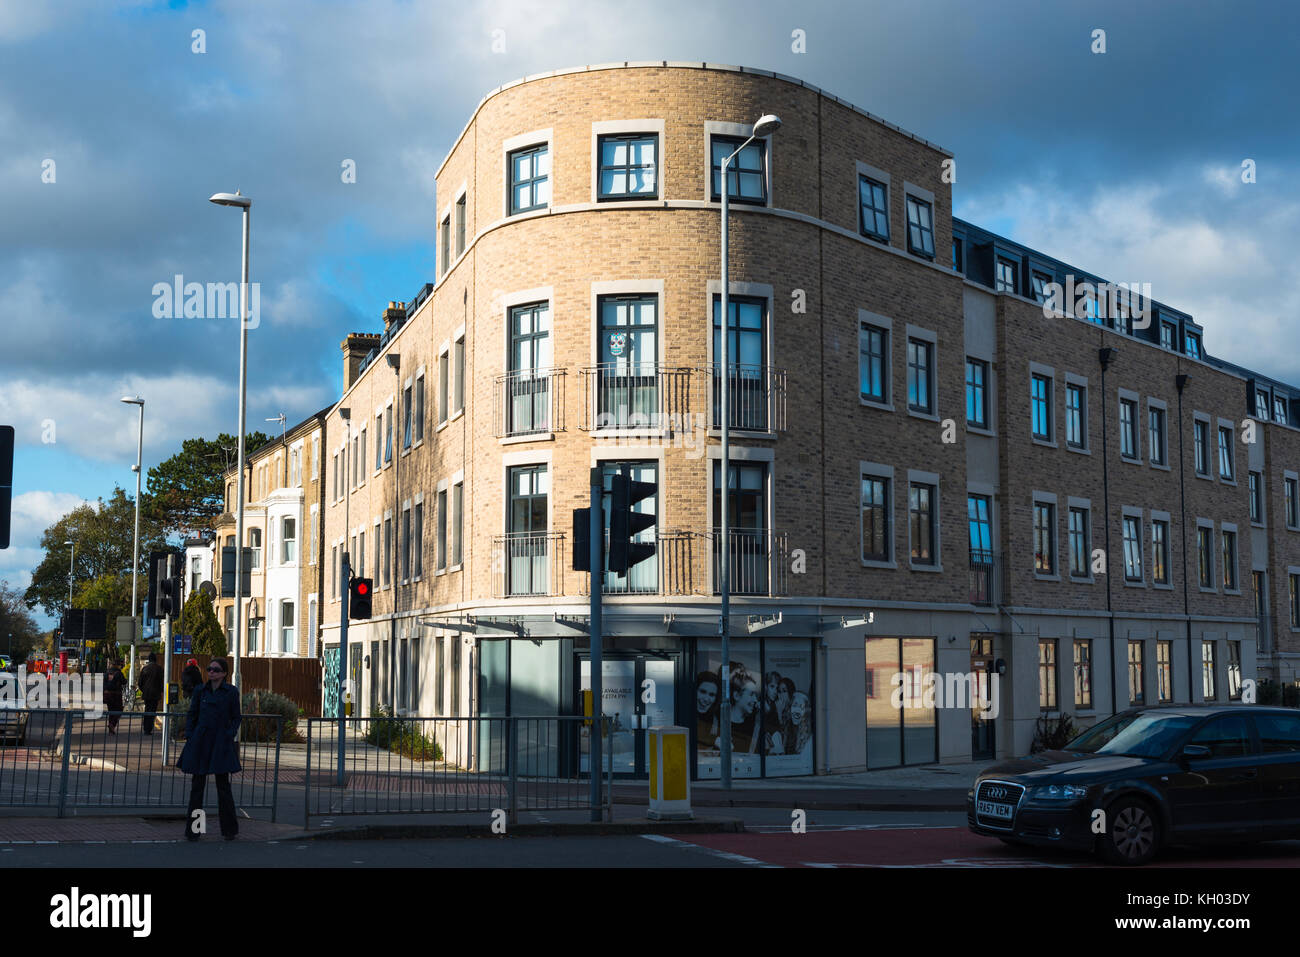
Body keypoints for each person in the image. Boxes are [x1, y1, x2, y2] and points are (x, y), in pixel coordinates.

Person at [177, 657, 241, 841]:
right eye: (209, 669)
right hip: (201, 740)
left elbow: (236, 717)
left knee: (223, 788)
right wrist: (190, 734)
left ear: (224, 673)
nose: (211, 672)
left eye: (215, 669)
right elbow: (192, 713)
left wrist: (229, 733)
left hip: (220, 741)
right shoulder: (200, 690)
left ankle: (229, 831)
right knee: (197, 787)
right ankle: (195, 831)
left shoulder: (231, 692)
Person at [695, 670, 721, 750]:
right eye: (703, 692)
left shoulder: (716, 721)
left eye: (712, 695)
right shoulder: (682, 713)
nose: (706, 699)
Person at [139, 653, 164, 734]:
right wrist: (160, 691)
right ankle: (149, 728)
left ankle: (146, 728)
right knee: (153, 711)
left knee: (147, 710)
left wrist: (144, 690)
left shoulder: (144, 669)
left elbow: (140, 683)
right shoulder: (159, 669)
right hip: (155, 694)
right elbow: (161, 682)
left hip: (147, 694)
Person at [103, 660, 125, 733]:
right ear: (117, 665)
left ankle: (111, 727)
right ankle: (112, 724)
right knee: (119, 710)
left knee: (111, 711)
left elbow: (104, 684)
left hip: (108, 695)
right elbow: (124, 682)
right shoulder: (119, 673)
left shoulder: (106, 673)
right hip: (116, 694)